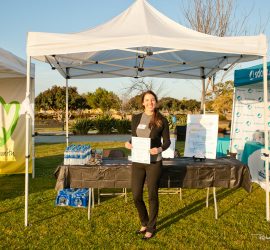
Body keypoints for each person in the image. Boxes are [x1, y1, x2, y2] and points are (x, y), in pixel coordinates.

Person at [125, 90, 171, 240]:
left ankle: (151, 226)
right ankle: (144, 222)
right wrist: (129, 143)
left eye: (152, 100)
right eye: (147, 100)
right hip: (138, 161)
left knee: (152, 195)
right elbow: (134, 137)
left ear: (155, 102)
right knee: (136, 195)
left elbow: (167, 142)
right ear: (142, 102)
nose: (150, 102)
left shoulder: (161, 120)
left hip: (154, 162)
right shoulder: (136, 118)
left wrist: (159, 149)